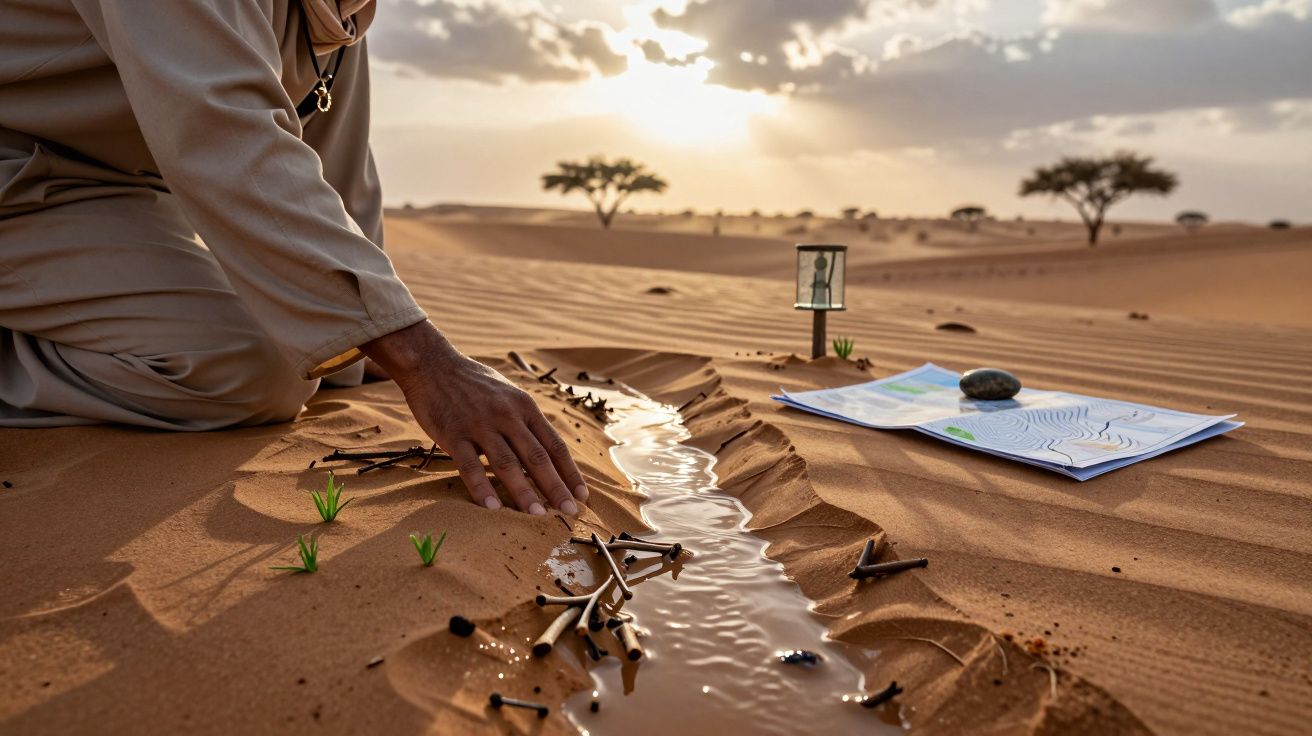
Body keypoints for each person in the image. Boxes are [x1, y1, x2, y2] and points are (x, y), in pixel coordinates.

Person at [0, 0, 588, 516]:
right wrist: (422, 359)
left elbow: (340, 170)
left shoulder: (340, 13)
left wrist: (373, 338)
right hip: (18, 179)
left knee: (301, 357)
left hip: (104, 195)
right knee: (250, 369)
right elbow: (226, 133)